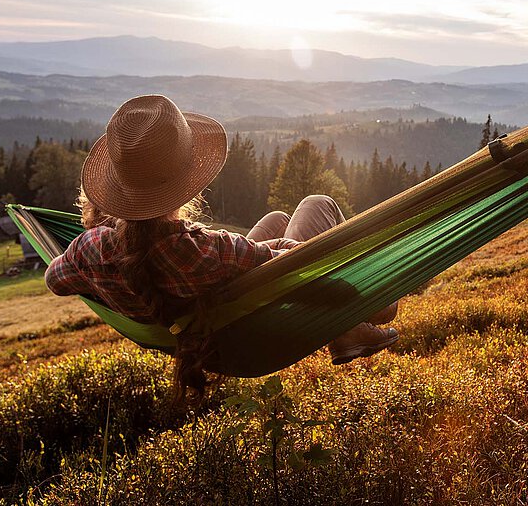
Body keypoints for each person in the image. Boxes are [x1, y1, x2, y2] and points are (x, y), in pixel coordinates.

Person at [45, 94, 398, 401]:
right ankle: (345, 330)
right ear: (186, 182)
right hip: (252, 327)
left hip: (203, 324)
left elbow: (55, 280)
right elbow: (296, 271)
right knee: (317, 204)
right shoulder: (209, 251)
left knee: (276, 217)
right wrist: (369, 294)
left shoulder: (88, 250)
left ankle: (346, 332)